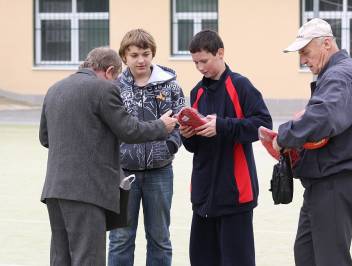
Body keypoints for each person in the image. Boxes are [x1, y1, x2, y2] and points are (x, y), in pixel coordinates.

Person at [39, 47, 177, 266]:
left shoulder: (55, 89)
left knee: (61, 258)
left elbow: (45, 138)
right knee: (89, 259)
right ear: (110, 71)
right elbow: (129, 130)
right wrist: (161, 126)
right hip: (88, 192)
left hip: (55, 191)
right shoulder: (103, 89)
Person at [273, 18, 352, 266]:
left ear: (326, 44)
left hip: (334, 181)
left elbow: (323, 117)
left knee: (329, 259)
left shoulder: (338, 76)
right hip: (327, 181)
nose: (303, 60)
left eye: (306, 52)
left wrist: (284, 136)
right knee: (307, 254)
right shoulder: (344, 73)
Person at [180, 30, 272, 266]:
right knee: (201, 260)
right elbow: (194, 147)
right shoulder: (197, 92)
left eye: (204, 61)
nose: (200, 68)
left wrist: (221, 125)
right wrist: (187, 135)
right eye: (195, 63)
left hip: (235, 195)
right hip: (202, 196)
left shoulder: (240, 85)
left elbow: (263, 125)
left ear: (220, 53)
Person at [107, 29, 185, 266]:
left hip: (160, 173)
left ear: (152, 54)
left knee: (160, 238)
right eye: (134, 55)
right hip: (122, 174)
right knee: (120, 238)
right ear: (124, 57)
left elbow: (182, 121)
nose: (141, 60)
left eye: (146, 53)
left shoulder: (170, 85)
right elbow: (106, 127)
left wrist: (169, 147)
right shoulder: (114, 88)